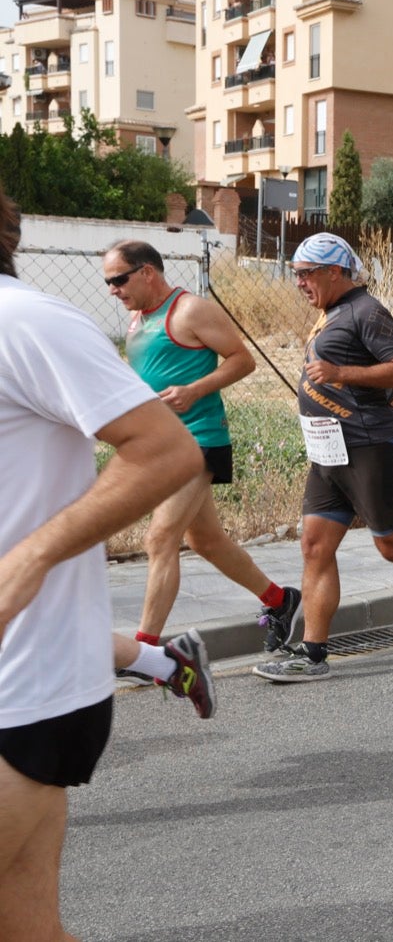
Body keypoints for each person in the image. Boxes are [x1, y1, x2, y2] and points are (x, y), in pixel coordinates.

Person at [1, 188, 215, 942]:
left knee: (182, 543)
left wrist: (34, 555)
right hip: (37, 680)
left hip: (23, 687)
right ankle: (163, 658)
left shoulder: (27, 322)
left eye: (121, 279)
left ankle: (163, 654)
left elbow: (164, 447)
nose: (115, 289)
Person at [253, 233, 393, 682]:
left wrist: (340, 372)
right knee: (314, 545)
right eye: (296, 274)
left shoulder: (366, 311)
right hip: (328, 449)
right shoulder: (330, 312)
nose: (299, 282)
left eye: (305, 274)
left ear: (334, 272)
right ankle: (312, 654)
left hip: (370, 446)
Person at [102, 240, 302, 656]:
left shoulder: (190, 310)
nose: (113, 290)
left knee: (160, 537)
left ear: (147, 272)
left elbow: (242, 360)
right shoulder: (139, 319)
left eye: (118, 279)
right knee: (206, 540)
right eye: (108, 282)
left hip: (197, 439)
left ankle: (144, 651)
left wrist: (194, 390)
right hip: (159, 443)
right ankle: (281, 601)